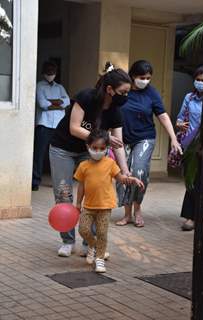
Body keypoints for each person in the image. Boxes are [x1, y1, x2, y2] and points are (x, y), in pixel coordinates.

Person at [49, 63, 132, 257]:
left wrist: (125, 169)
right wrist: (104, 138)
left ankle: (90, 243)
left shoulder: (116, 112)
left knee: (94, 194)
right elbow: (74, 128)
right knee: (64, 194)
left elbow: (118, 145)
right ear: (110, 89)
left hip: (90, 151)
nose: (126, 97)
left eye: (128, 93)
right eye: (123, 92)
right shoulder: (86, 97)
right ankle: (68, 241)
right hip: (63, 148)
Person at [116, 60, 182, 227]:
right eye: (141, 77)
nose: (145, 80)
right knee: (124, 174)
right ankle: (127, 214)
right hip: (122, 138)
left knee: (139, 171)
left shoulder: (151, 93)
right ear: (132, 76)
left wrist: (173, 138)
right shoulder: (123, 90)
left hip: (145, 137)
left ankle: (137, 209)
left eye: (148, 78)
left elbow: (163, 115)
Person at [76, 129, 144, 273]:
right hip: (88, 206)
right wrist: (77, 203)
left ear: (107, 148)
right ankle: (93, 246)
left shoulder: (110, 164)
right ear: (88, 146)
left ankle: (99, 259)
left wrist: (131, 179)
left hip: (105, 206)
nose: (98, 151)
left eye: (102, 148)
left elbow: (120, 178)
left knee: (102, 233)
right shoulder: (83, 166)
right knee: (83, 230)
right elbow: (81, 186)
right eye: (94, 148)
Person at [32, 61, 70, 191]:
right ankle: (35, 181)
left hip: (58, 126)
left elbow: (67, 101)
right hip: (44, 125)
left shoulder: (59, 87)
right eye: (48, 72)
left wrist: (52, 103)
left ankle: (57, 182)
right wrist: (58, 103)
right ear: (44, 72)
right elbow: (42, 104)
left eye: (53, 72)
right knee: (39, 154)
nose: (50, 74)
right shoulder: (39, 86)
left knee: (58, 155)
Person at [176, 65, 203, 231]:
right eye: (198, 80)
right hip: (191, 146)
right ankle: (190, 217)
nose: (200, 83)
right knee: (191, 180)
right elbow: (180, 119)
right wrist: (180, 125)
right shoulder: (189, 97)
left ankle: (202, 216)